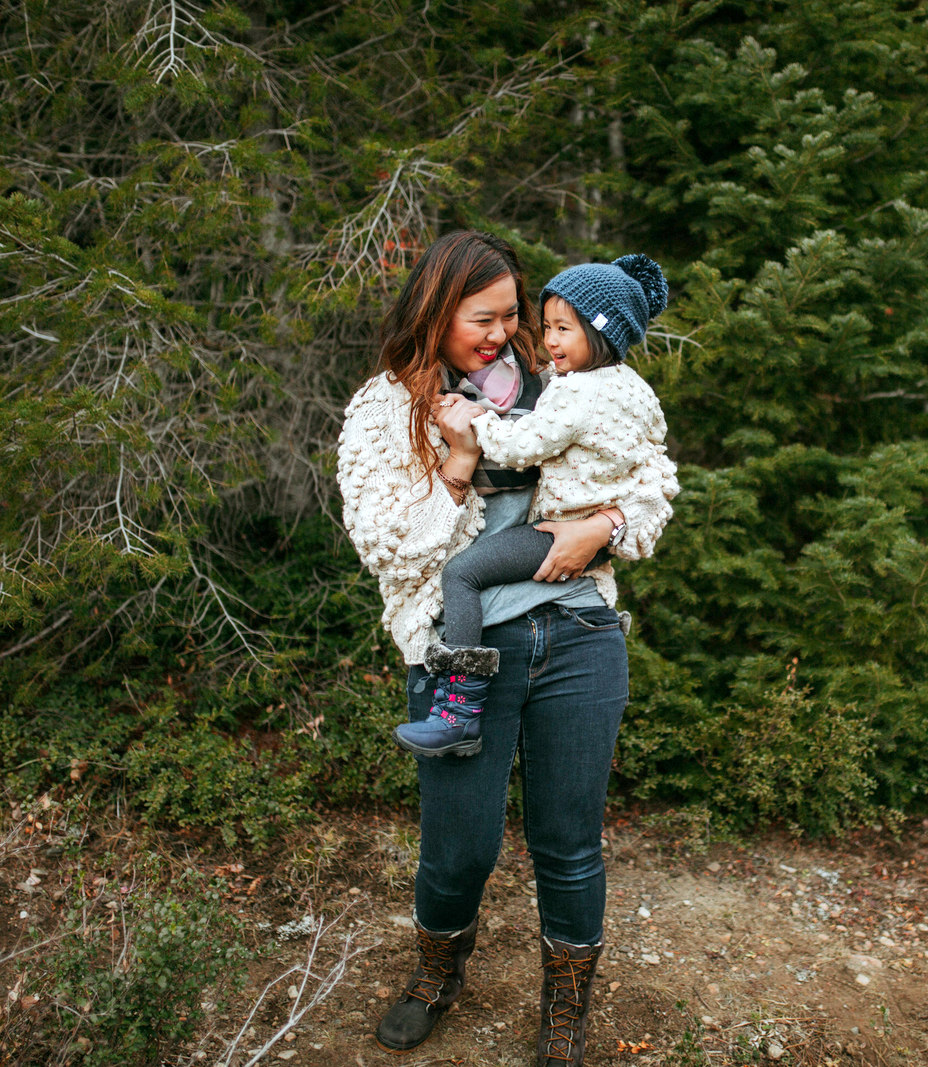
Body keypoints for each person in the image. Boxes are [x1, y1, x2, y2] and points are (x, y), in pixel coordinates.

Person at [335, 230, 678, 1065]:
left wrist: (609, 523)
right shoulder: (382, 410)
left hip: (578, 631)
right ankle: (436, 973)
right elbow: (390, 546)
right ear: (433, 309)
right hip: (462, 650)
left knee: (569, 840)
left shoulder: (560, 380)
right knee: (460, 845)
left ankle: (566, 1005)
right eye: (481, 320)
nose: (500, 335)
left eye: (511, 317)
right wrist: (456, 463)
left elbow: (655, 479)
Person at [392, 253, 676, 759]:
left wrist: (474, 427)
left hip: (560, 536)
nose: (548, 340)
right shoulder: (636, 390)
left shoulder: (568, 392)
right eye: (545, 326)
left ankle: (458, 708)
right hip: (576, 545)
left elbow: (526, 445)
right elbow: (655, 460)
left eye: (563, 329)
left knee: (462, 575)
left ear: (600, 332)